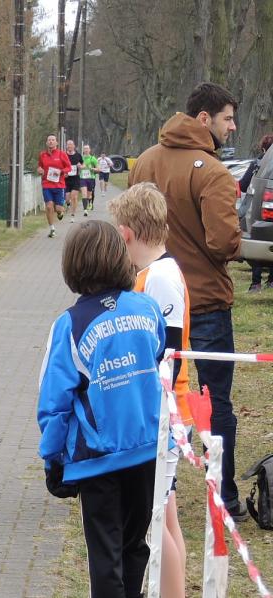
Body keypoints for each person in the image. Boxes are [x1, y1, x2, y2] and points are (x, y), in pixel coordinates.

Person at [128, 82, 246, 520]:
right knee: (215, 400)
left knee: (153, 393)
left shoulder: (145, 161)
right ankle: (224, 496)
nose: (232, 127)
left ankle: (158, 487)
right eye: (227, 118)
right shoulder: (213, 172)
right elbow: (223, 242)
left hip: (151, 298)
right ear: (204, 118)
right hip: (205, 300)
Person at [37, 219, 166, 598]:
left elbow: (54, 402)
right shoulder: (147, 309)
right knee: (135, 544)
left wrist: (53, 459)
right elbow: (160, 357)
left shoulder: (70, 325)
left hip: (98, 458)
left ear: (73, 265)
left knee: (105, 555)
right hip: (147, 450)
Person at [108, 183, 191, 598]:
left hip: (165, 414)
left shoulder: (159, 278)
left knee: (156, 522)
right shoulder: (155, 273)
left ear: (125, 233)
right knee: (166, 515)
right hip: (162, 413)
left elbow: (166, 355)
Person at [238, 133, 273, 292]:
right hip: (266, 208)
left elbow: (243, 185)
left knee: (257, 239)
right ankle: (271, 280)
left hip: (255, 208)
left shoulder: (258, 164)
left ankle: (256, 283)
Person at [37, 134, 72, 238]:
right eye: (49, 140)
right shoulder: (42, 155)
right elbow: (39, 166)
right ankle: (52, 228)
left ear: (56, 142)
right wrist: (39, 170)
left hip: (59, 185)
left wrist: (61, 171)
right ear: (46, 143)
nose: (51, 141)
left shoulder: (62, 154)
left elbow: (69, 167)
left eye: (53, 140)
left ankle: (60, 212)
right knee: (49, 207)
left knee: (58, 209)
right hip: (46, 185)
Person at [64, 139, 84, 222]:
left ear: (74, 146)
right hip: (66, 179)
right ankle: (68, 203)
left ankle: (73, 215)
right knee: (67, 197)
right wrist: (64, 172)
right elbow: (60, 165)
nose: (69, 146)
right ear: (66, 146)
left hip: (75, 179)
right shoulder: (64, 155)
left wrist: (80, 166)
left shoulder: (78, 155)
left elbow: (83, 164)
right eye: (68, 144)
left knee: (74, 197)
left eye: (71, 144)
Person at [80, 144, 99, 215]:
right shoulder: (81, 158)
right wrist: (80, 167)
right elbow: (77, 167)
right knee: (84, 193)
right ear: (83, 150)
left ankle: (90, 202)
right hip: (82, 178)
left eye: (87, 149)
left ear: (89, 150)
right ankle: (85, 210)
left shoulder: (92, 159)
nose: (86, 150)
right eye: (85, 149)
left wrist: (93, 169)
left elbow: (98, 169)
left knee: (89, 194)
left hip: (91, 178)